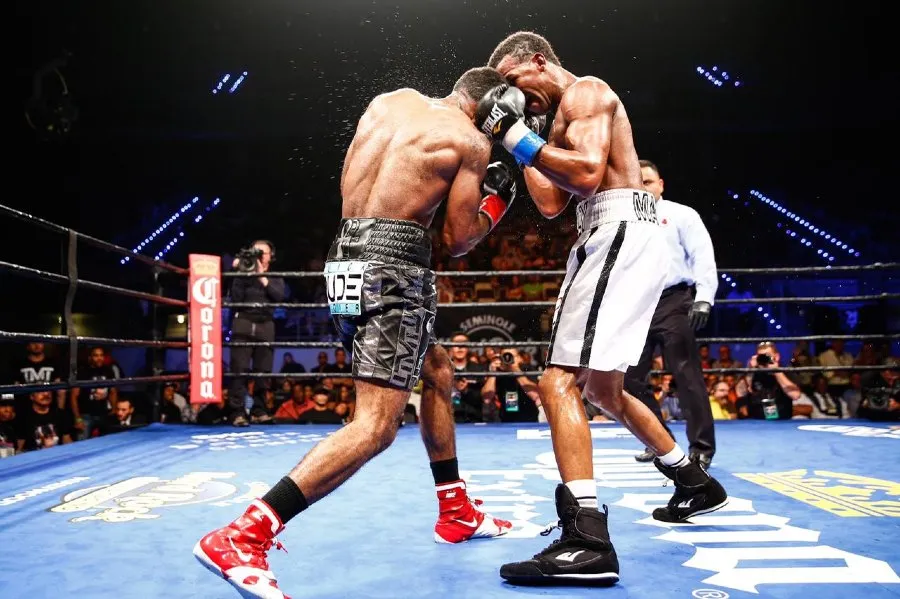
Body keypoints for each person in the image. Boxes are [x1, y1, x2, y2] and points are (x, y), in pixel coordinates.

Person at [194, 66, 517, 598]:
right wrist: (496, 203)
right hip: (394, 267)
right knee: (376, 426)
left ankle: (455, 509)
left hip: (343, 259)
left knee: (436, 368)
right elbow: (459, 239)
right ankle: (244, 535)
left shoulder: (390, 99)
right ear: (493, 108)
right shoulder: (469, 141)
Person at [482, 32, 727, 584]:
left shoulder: (586, 92)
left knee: (558, 382)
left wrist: (515, 133)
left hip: (616, 230)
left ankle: (587, 539)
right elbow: (550, 204)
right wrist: (516, 143)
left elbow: (590, 173)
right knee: (603, 388)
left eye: (513, 81)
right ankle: (693, 480)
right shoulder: (555, 119)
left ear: (537, 61)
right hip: (613, 232)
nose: (512, 94)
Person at [625, 160, 719, 467]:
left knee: (686, 375)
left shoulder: (681, 214)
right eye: (638, 182)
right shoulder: (624, 219)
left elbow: (702, 255)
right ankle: (659, 440)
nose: (643, 187)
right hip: (636, 303)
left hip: (674, 300)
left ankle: (702, 447)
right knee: (629, 379)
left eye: (648, 181)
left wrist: (704, 297)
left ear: (661, 184)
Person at [227, 240, 283, 426]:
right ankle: (237, 412)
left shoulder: (275, 276)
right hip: (243, 321)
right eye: (256, 252)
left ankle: (259, 410)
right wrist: (240, 273)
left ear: (270, 256)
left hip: (265, 324)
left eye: (263, 252)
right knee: (239, 369)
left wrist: (260, 275)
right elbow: (235, 298)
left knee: (263, 372)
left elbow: (278, 296)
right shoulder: (244, 273)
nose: (259, 255)